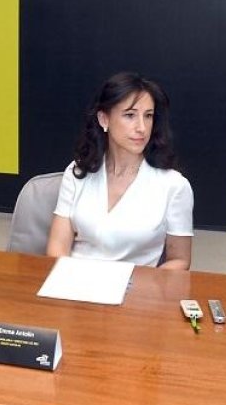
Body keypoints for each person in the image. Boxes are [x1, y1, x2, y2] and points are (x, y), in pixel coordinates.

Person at [46, 73, 193, 268]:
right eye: (130, 115)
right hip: (75, 281)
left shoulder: (174, 185)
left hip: (137, 285)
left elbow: (180, 261)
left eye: (148, 116)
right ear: (104, 119)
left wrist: (138, 283)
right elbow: (57, 248)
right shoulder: (77, 172)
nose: (142, 128)